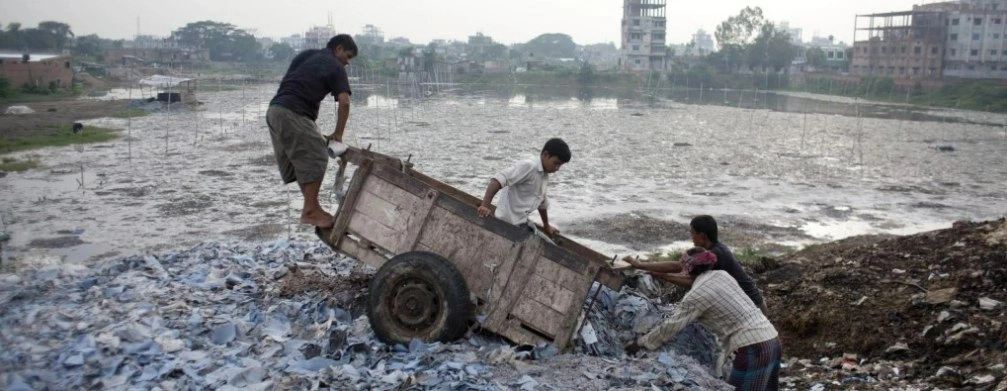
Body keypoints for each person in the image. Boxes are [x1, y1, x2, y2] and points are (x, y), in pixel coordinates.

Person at [625, 249, 781, 391]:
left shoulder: (696, 297)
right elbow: (698, 283)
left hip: (753, 348)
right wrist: (665, 276)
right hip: (772, 340)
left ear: (688, 269)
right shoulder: (722, 275)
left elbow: (670, 327)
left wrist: (640, 343)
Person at [266, 34, 357, 228]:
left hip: (275, 111)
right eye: (347, 56)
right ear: (338, 49)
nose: (347, 63)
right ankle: (310, 210)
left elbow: (289, 81)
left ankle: (312, 207)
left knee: (302, 161)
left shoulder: (306, 55)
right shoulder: (335, 65)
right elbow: (345, 102)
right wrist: (338, 134)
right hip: (293, 113)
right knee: (317, 154)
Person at [626, 215, 767, 313]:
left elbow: (685, 275)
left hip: (752, 307)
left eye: (693, 233)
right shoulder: (714, 250)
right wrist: (646, 265)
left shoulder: (714, 255)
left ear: (703, 236)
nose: (691, 237)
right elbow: (681, 265)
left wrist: (650, 270)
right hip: (746, 304)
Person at [476, 138, 571, 239]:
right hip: (507, 225)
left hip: (522, 224)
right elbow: (498, 180)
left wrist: (546, 225)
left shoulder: (544, 175)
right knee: (548, 247)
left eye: (560, 165)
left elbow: (542, 203)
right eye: (556, 163)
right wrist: (485, 206)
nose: (557, 168)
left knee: (550, 243)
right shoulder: (529, 166)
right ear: (545, 155)